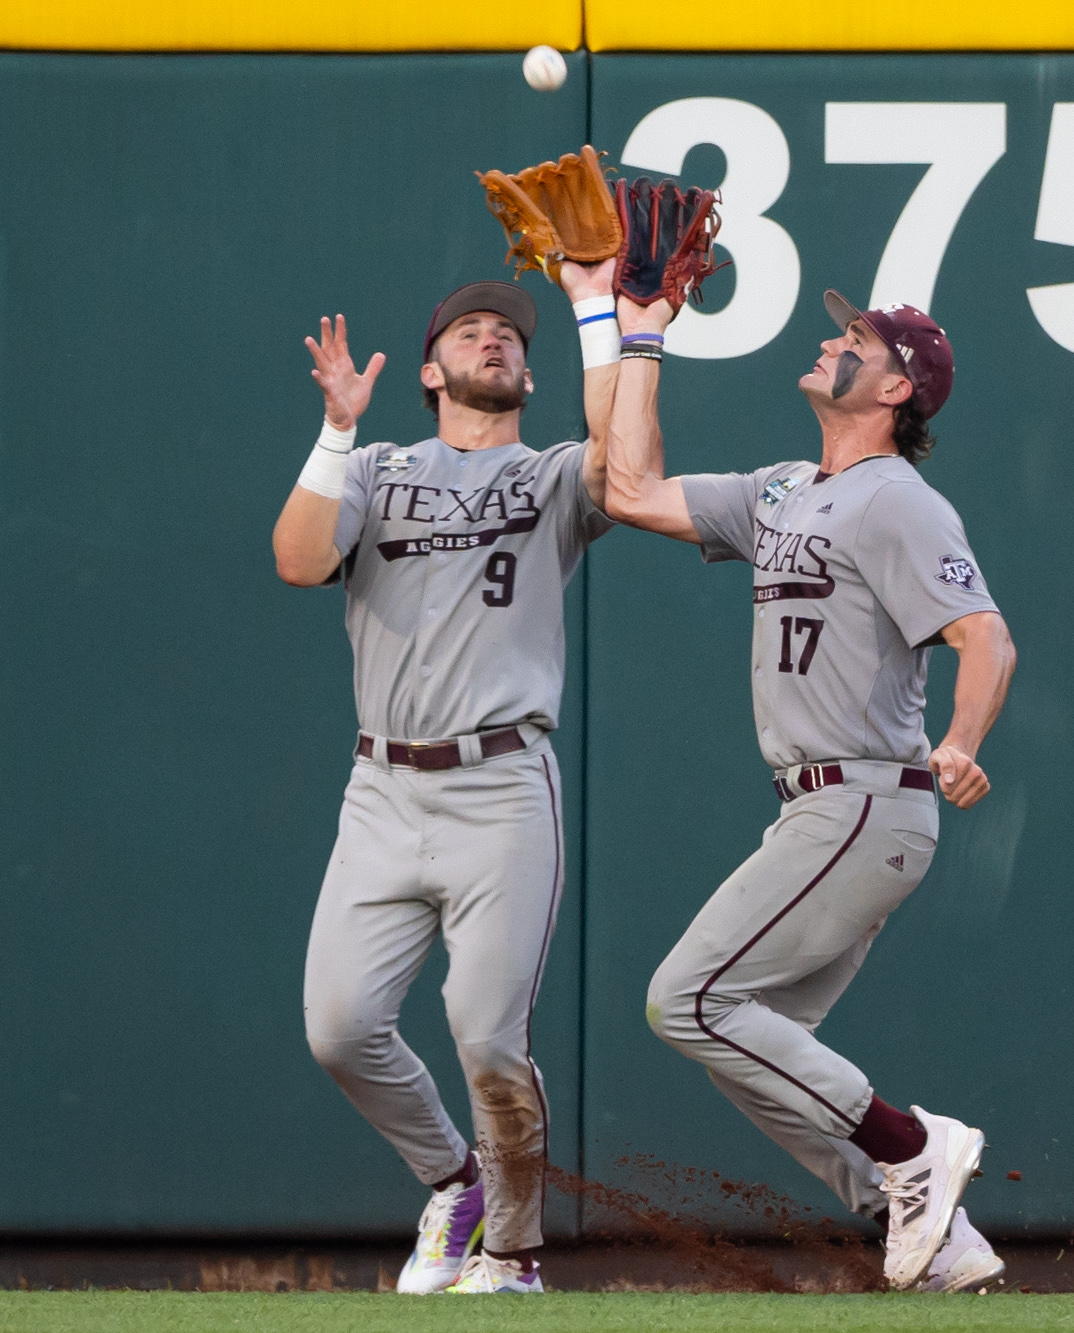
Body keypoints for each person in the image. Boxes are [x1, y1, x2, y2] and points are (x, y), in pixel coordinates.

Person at [601, 288, 1018, 1292]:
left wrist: (960, 739)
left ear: (894, 386)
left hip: (865, 799)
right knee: (747, 1037)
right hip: (820, 806)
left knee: (686, 1000)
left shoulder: (899, 500)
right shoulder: (783, 490)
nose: (832, 340)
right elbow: (626, 488)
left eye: (857, 340)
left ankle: (910, 1145)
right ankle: (916, 1218)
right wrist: (640, 337)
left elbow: (985, 635)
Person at [272, 262, 624, 1295]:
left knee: (485, 1038)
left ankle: (512, 1256)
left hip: (499, 786)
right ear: (429, 367)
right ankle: (453, 1179)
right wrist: (337, 429)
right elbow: (297, 561)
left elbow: (626, 468)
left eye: (510, 334)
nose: (494, 339)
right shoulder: (375, 466)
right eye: (471, 330)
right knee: (338, 1027)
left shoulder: (554, 475)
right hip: (381, 788)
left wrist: (604, 325)